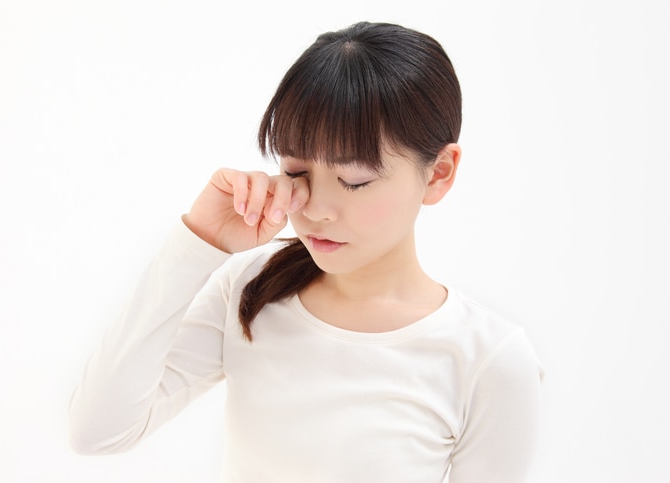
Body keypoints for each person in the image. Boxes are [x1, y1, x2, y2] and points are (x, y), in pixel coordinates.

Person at [69, 21, 543, 482]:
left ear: (438, 173)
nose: (316, 208)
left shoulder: (487, 358)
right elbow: (98, 432)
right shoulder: (251, 287)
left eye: (354, 180)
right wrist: (200, 243)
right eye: (296, 172)